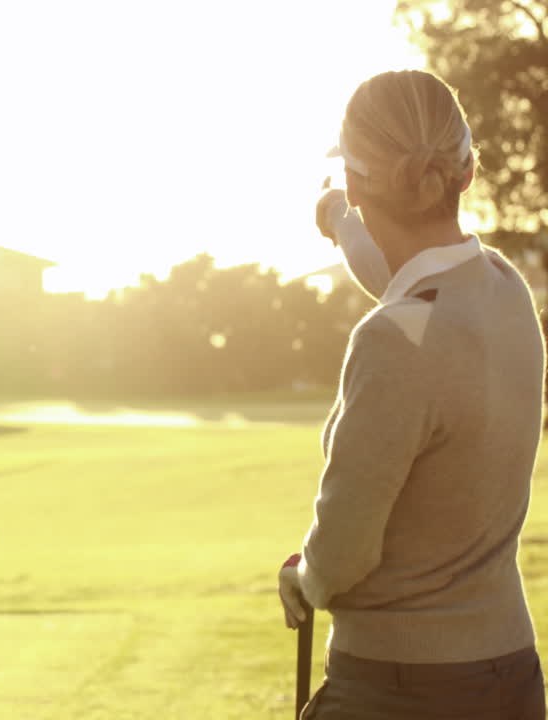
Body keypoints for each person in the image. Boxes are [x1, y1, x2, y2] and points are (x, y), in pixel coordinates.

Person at [278, 69, 547, 719]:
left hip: (400, 687)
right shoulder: (502, 289)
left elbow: (344, 550)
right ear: (465, 173)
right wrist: (341, 220)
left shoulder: (392, 340)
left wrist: (303, 580)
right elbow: (409, 285)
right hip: (511, 675)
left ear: (359, 179)